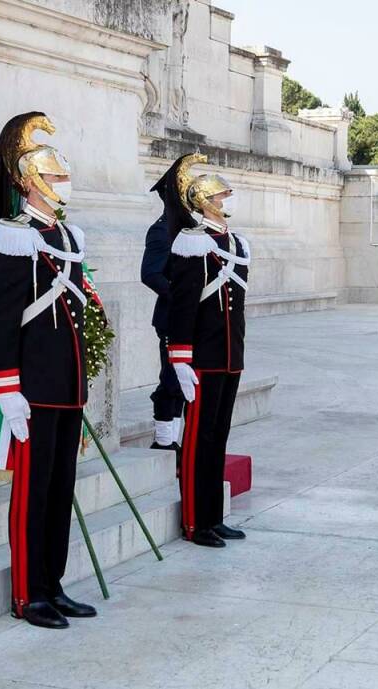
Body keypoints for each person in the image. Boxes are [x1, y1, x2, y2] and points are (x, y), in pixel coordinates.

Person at [0, 112, 97, 629]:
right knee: (32, 495)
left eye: (62, 177)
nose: (61, 185)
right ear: (29, 182)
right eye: (53, 177)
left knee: (58, 491)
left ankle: (53, 583)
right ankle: (29, 595)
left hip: (67, 388)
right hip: (33, 389)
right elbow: (3, 319)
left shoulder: (68, 237)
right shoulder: (13, 237)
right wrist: (7, 389)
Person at [166, 153, 249, 548]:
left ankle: (214, 517)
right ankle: (196, 521)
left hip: (230, 357)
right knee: (198, 441)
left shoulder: (234, 243)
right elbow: (182, 306)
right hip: (203, 359)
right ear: (205, 202)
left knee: (218, 438)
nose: (228, 199)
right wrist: (181, 358)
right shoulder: (193, 244)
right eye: (222, 195)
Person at [143, 157, 199, 460]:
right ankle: (165, 440)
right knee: (172, 380)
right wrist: (182, 296)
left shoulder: (191, 229)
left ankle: (180, 440)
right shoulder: (162, 231)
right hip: (171, 318)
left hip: (194, 319)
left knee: (190, 379)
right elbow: (150, 273)